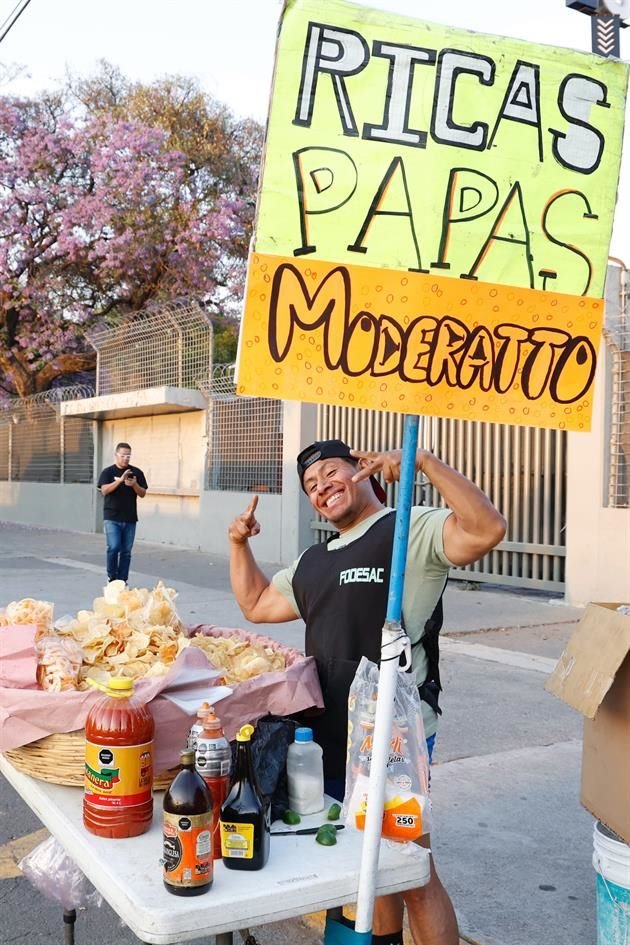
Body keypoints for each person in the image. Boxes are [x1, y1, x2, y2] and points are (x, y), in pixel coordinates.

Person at [228, 439, 506, 945]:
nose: (322, 488)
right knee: (365, 863)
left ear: (363, 470)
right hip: (330, 733)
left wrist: (423, 462)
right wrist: (238, 544)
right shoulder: (312, 562)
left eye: (332, 472)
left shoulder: (407, 530)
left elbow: (487, 529)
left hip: (394, 734)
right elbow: (256, 604)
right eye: (311, 485)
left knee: (411, 870)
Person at [97, 442, 148, 584]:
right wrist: (119, 481)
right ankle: (112, 577)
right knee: (114, 547)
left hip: (130, 518)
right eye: (123, 455)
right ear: (116, 455)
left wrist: (134, 485)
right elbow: (104, 490)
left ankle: (123, 579)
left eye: (128, 456)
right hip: (112, 517)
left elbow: (143, 493)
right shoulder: (108, 472)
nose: (126, 458)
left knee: (126, 551)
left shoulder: (136, 473)